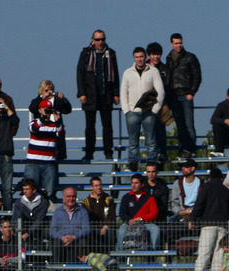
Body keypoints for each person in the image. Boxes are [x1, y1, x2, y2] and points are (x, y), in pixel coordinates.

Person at [189, 166, 229, 271]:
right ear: (221, 178)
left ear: (209, 178)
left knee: (204, 254)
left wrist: (193, 218)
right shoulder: (227, 191)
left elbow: (199, 205)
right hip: (224, 226)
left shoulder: (206, 188)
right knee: (218, 256)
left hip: (208, 225)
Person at [76, 30, 119, 161]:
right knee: (90, 127)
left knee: (107, 126)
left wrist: (116, 94)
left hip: (106, 95)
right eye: (98, 39)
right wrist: (81, 93)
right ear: (93, 40)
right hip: (90, 95)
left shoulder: (110, 54)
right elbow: (80, 74)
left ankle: (108, 152)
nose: (100, 42)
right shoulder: (86, 53)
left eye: (102, 39)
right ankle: (89, 152)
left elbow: (115, 74)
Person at [120, 46, 164, 171]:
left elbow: (160, 91)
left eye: (141, 57)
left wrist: (155, 109)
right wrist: (126, 110)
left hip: (149, 111)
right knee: (133, 141)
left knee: (151, 140)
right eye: (137, 57)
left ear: (145, 57)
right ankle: (133, 162)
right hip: (132, 112)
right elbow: (123, 92)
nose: (139, 59)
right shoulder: (127, 73)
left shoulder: (153, 71)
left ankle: (151, 162)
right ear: (134, 58)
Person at [164, 33, 201, 156]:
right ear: (171, 44)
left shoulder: (190, 57)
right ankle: (183, 148)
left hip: (186, 94)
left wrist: (192, 92)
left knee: (189, 124)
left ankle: (191, 149)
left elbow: (197, 76)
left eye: (180, 43)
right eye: (176, 43)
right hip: (173, 96)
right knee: (180, 125)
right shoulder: (168, 58)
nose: (178, 45)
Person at [25, 99, 62, 201]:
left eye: (49, 109)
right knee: (30, 192)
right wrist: (42, 119)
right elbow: (33, 128)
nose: (47, 111)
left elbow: (61, 133)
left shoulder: (54, 125)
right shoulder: (35, 122)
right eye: (45, 109)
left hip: (49, 163)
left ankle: (46, 215)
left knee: (49, 193)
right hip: (33, 163)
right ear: (40, 110)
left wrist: (58, 120)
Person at [28, 80, 71, 161]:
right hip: (42, 134)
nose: (49, 92)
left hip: (55, 133)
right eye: (46, 90)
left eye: (51, 90)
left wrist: (64, 99)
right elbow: (32, 108)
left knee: (55, 159)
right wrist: (41, 98)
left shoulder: (57, 101)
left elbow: (68, 110)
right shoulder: (37, 101)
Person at [117, 173, 160, 250]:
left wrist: (141, 219)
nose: (133, 185)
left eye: (136, 183)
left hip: (145, 224)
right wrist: (129, 220)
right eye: (132, 183)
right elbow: (122, 213)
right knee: (121, 231)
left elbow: (154, 213)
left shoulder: (149, 198)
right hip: (129, 224)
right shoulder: (126, 197)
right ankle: (121, 256)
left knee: (155, 229)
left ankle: (153, 255)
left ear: (142, 184)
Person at [50, 187, 91, 264]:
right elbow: (52, 231)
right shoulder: (57, 212)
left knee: (77, 245)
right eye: (68, 196)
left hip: (76, 240)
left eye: (73, 196)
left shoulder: (82, 212)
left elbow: (86, 229)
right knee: (56, 244)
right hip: (61, 240)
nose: (71, 199)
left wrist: (73, 237)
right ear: (64, 198)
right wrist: (62, 238)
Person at [145, 43, 169, 162]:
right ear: (149, 55)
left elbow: (167, 86)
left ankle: (162, 153)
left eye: (158, 54)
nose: (156, 57)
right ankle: (152, 154)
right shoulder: (143, 68)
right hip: (147, 104)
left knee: (161, 129)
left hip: (161, 104)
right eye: (154, 54)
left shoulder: (164, 69)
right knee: (149, 130)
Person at [83, 175, 118, 250]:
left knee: (111, 232)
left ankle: (111, 255)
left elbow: (112, 216)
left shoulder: (109, 199)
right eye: (96, 185)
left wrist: (105, 227)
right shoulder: (86, 202)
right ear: (91, 187)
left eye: (100, 185)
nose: (99, 187)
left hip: (106, 228)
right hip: (93, 229)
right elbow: (86, 218)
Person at [12, 178, 49, 248]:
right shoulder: (19, 203)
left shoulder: (43, 202)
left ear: (34, 190)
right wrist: (21, 232)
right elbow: (16, 219)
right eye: (24, 189)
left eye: (27, 189)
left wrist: (28, 233)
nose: (24, 191)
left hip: (39, 230)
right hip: (23, 229)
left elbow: (39, 220)